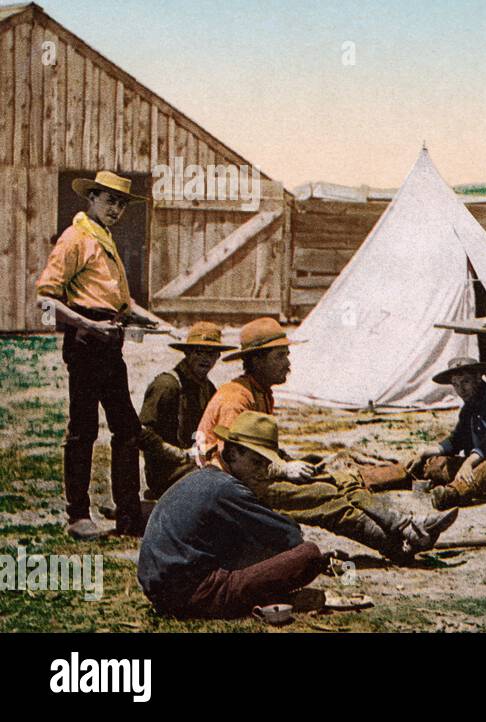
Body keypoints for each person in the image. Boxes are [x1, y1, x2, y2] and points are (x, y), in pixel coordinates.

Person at [196, 317, 457, 562]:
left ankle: (405, 525)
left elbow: (260, 449)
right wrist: (284, 469)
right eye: (280, 356)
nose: (288, 363)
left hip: (255, 474)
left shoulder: (261, 392)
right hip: (232, 487)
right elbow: (231, 459)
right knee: (326, 496)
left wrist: (291, 462)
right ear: (257, 361)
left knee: (342, 478)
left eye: (287, 355)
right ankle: (398, 544)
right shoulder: (236, 399)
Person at [34, 171, 152, 539]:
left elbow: (123, 303)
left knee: (127, 429)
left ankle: (129, 514)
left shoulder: (105, 240)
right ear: (92, 199)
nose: (116, 209)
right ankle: (78, 517)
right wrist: (89, 324)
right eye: (109, 201)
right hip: (86, 341)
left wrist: (161, 324)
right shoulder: (75, 238)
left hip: (109, 340)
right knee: (83, 430)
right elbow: (44, 301)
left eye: (121, 204)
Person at [136, 412, 332, 619]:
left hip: (161, 590)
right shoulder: (227, 489)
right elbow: (290, 537)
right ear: (231, 454)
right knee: (308, 554)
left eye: (266, 464)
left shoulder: (201, 477)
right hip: (192, 595)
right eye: (256, 462)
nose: (262, 471)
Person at [405, 357, 486, 510]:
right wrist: (424, 453)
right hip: (477, 463)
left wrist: (468, 463)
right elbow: (456, 441)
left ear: (478, 378)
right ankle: (381, 478)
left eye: (465, 382)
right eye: (456, 384)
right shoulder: (468, 408)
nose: (461, 390)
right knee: (433, 464)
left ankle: (451, 494)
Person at [137, 321, 234, 502]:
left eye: (211, 353)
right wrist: (180, 454)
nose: (205, 359)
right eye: (199, 352)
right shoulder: (167, 385)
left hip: (196, 464)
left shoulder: (208, 388)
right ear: (187, 353)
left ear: (218, 356)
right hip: (167, 472)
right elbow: (141, 433)